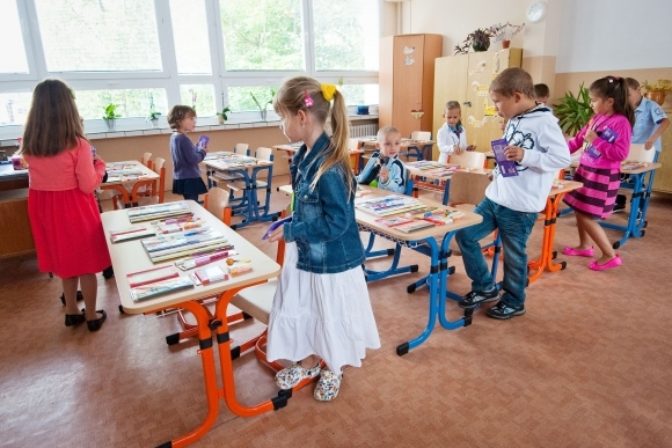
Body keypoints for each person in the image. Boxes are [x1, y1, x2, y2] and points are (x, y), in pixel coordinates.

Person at [266, 76, 380, 401]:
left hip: (332, 261)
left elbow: (338, 223)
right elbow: (308, 207)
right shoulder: (304, 155)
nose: (281, 125)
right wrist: (290, 221)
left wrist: (294, 231)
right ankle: (310, 360)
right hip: (309, 253)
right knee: (307, 307)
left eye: (282, 117)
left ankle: (333, 366)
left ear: (301, 117)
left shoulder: (329, 166)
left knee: (330, 313)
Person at [456, 68, 570, 319]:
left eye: (498, 101)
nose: (495, 107)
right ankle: (484, 287)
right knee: (465, 235)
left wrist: (525, 155)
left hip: (520, 205)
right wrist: (497, 172)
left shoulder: (545, 122)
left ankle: (514, 301)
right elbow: (510, 153)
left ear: (517, 97)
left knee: (514, 255)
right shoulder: (516, 118)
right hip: (495, 197)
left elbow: (562, 158)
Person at [21, 79, 110, 331]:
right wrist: (99, 166)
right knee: (86, 264)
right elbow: (87, 185)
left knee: (65, 261)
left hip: (44, 208)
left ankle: (71, 310)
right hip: (74, 208)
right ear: (68, 108)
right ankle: (91, 315)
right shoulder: (78, 144)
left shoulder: (31, 144)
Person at [562, 76, 634, 270]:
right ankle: (585, 246)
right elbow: (578, 139)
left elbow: (620, 153)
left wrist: (596, 141)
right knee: (579, 208)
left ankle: (610, 255)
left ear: (609, 101)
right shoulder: (597, 118)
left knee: (587, 214)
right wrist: (558, 153)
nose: (591, 104)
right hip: (586, 170)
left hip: (602, 175)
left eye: (594, 100)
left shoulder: (621, 123)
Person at [612, 78, 670, 211]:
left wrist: (652, 138)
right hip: (629, 149)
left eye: (628, 95)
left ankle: (638, 210)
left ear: (638, 90)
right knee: (618, 176)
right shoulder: (624, 108)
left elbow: (665, 122)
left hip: (646, 150)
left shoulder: (651, 105)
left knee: (638, 179)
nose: (626, 98)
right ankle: (619, 202)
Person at [167, 105, 208, 202]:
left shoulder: (174, 136)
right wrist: (202, 152)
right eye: (191, 118)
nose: (194, 121)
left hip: (181, 176)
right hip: (190, 178)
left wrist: (196, 148)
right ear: (179, 121)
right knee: (193, 203)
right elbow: (193, 159)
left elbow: (184, 155)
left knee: (190, 202)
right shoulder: (183, 139)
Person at [357, 126, 407, 193]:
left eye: (397, 143)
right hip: (370, 194)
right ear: (378, 145)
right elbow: (363, 177)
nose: (393, 147)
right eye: (388, 144)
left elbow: (400, 190)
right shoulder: (374, 158)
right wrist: (352, 180)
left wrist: (386, 181)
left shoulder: (398, 165)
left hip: (386, 197)